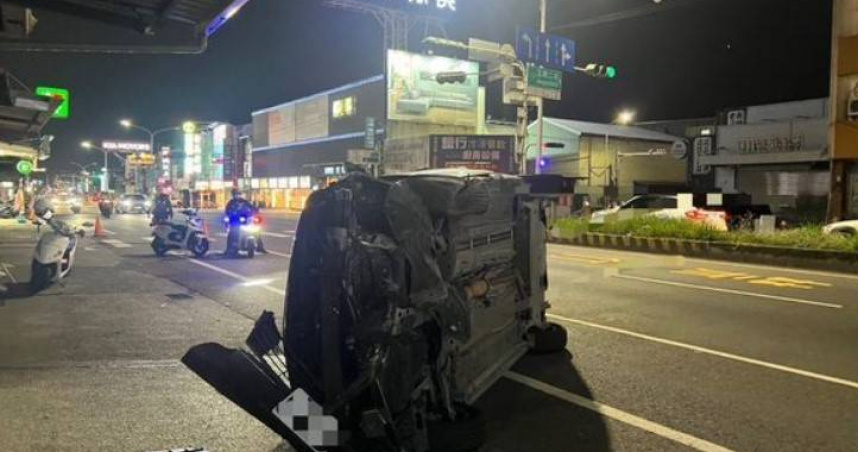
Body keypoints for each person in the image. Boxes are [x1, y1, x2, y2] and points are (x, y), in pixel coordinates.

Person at [225, 189, 266, 254]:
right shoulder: (231, 203)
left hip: (246, 220)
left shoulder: (244, 201)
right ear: (233, 195)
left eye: (238, 194)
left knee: (256, 232)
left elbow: (251, 207)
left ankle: (260, 247)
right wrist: (231, 214)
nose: (237, 195)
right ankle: (228, 248)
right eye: (236, 194)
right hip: (236, 221)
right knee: (232, 233)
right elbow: (227, 211)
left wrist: (255, 210)